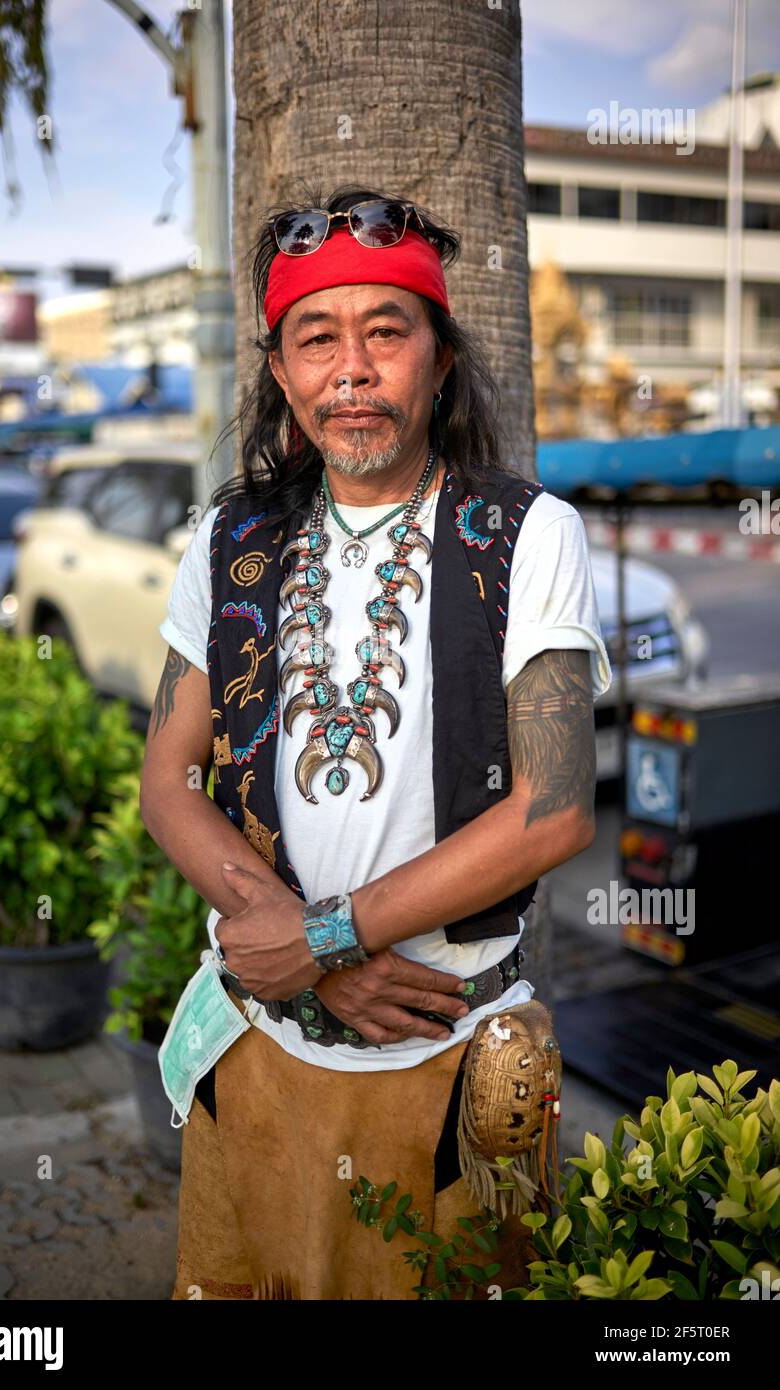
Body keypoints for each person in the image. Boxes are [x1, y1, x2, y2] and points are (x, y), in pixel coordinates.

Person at [140, 185, 611, 1300]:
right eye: (316, 338)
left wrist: (329, 938)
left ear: (437, 359)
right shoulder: (229, 538)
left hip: (453, 1070)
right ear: (280, 369)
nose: (350, 370)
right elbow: (170, 775)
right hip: (254, 1052)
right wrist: (305, 961)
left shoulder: (528, 534)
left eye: (384, 333)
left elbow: (554, 806)